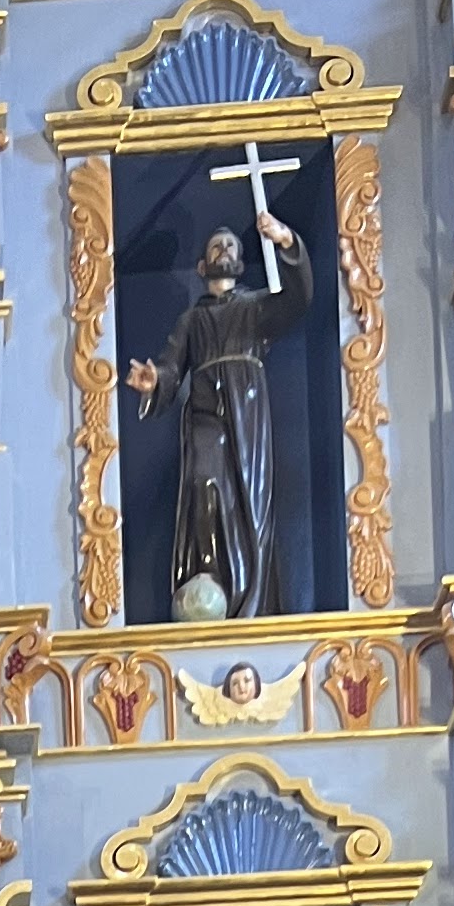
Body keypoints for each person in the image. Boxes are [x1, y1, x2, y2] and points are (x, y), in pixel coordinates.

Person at [124, 211, 313, 622]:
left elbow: (297, 298)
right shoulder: (192, 320)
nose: (224, 251)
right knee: (204, 484)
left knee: (248, 501)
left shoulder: (255, 308)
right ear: (201, 266)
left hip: (248, 414)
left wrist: (285, 240)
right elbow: (172, 366)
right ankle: (209, 580)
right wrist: (155, 380)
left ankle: (249, 599)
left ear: (240, 262)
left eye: (230, 246)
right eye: (216, 247)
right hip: (205, 412)